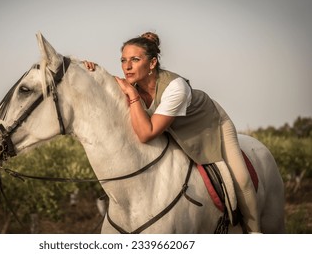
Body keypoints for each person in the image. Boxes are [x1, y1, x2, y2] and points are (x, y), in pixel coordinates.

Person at [84, 32, 261, 233]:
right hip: (171, 129)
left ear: (152, 63)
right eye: (123, 60)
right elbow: (99, 85)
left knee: (242, 179)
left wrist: (132, 94)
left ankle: (255, 234)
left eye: (135, 59)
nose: (127, 66)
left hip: (208, 124)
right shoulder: (129, 82)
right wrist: (89, 69)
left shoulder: (176, 87)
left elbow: (146, 133)